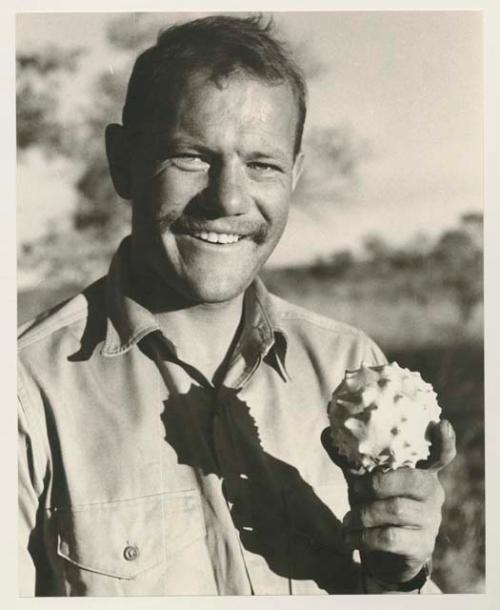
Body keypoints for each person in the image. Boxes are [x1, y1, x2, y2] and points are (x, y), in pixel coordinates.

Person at [18, 14, 456, 596]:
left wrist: (398, 576)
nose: (228, 199)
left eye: (262, 164)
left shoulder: (349, 365)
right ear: (122, 162)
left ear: (294, 176)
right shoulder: (24, 393)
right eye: (191, 156)